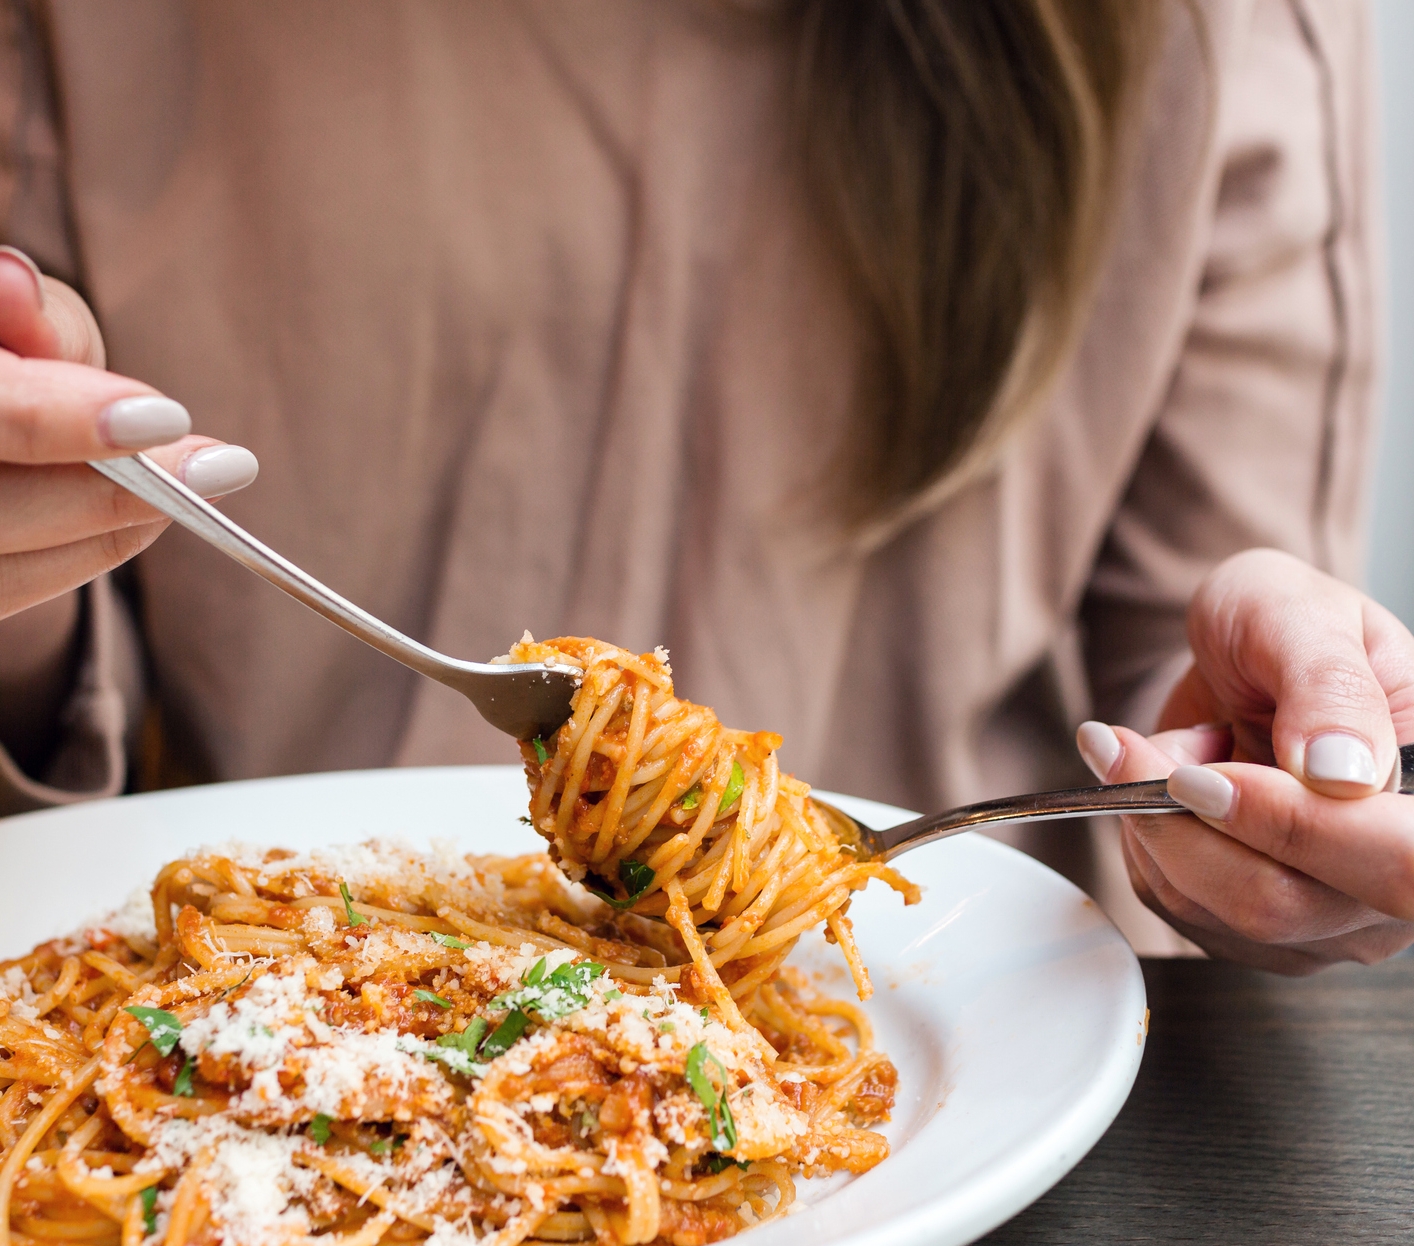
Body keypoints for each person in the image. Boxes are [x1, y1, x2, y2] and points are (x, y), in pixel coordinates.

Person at [0, 0, 1409, 975]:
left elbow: (1187, 674)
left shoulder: (1228, 29)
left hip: (953, 1042)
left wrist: (1250, 799)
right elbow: (62, 712)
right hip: (256, 992)